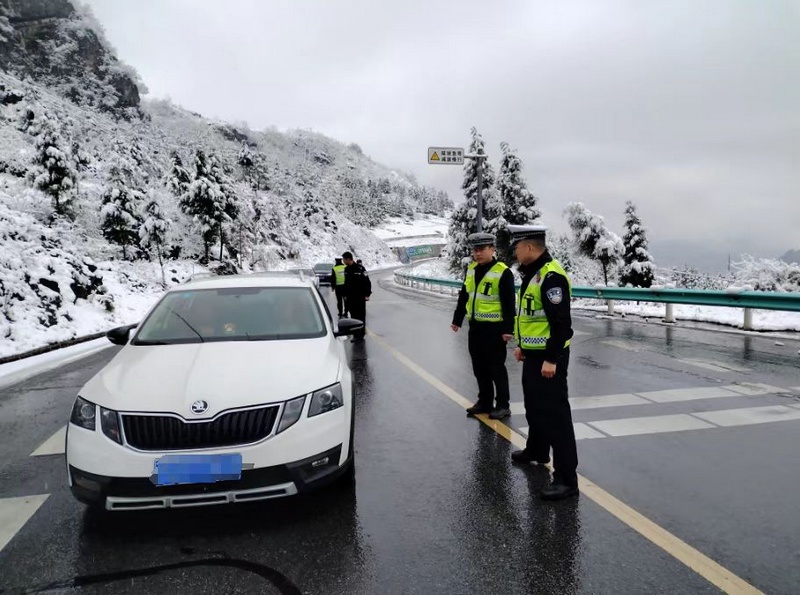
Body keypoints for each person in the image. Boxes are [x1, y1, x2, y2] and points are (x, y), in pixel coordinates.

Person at [507, 224, 578, 501]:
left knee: (556, 415)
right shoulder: (533, 275)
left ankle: (566, 479)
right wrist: (524, 346)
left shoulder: (551, 277)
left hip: (551, 357)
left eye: (516, 247)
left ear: (528, 247)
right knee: (534, 405)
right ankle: (537, 450)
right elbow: (531, 317)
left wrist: (551, 359)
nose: (514, 252)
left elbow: (561, 324)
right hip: (534, 354)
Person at [451, 232, 516, 420]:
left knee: (496, 367)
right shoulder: (471, 270)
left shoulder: (503, 272)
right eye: (474, 250)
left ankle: (503, 405)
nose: (477, 254)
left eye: (481, 249)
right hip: (476, 327)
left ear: (492, 249)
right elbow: (465, 295)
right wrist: (458, 319)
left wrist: (508, 329)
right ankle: (485, 401)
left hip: (495, 329)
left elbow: (508, 303)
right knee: (479, 367)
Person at [342, 251, 371, 341]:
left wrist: (367, 294)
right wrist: (345, 295)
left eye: (344, 259)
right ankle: (355, 334)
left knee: (361, 316)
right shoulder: (346, 270)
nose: (343, 261)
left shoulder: (360, 269)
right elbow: (346, 283)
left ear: (348, 259)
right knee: (353, 316)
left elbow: (367, 282)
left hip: (359, 297)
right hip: (350, 297)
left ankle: (360, 335)